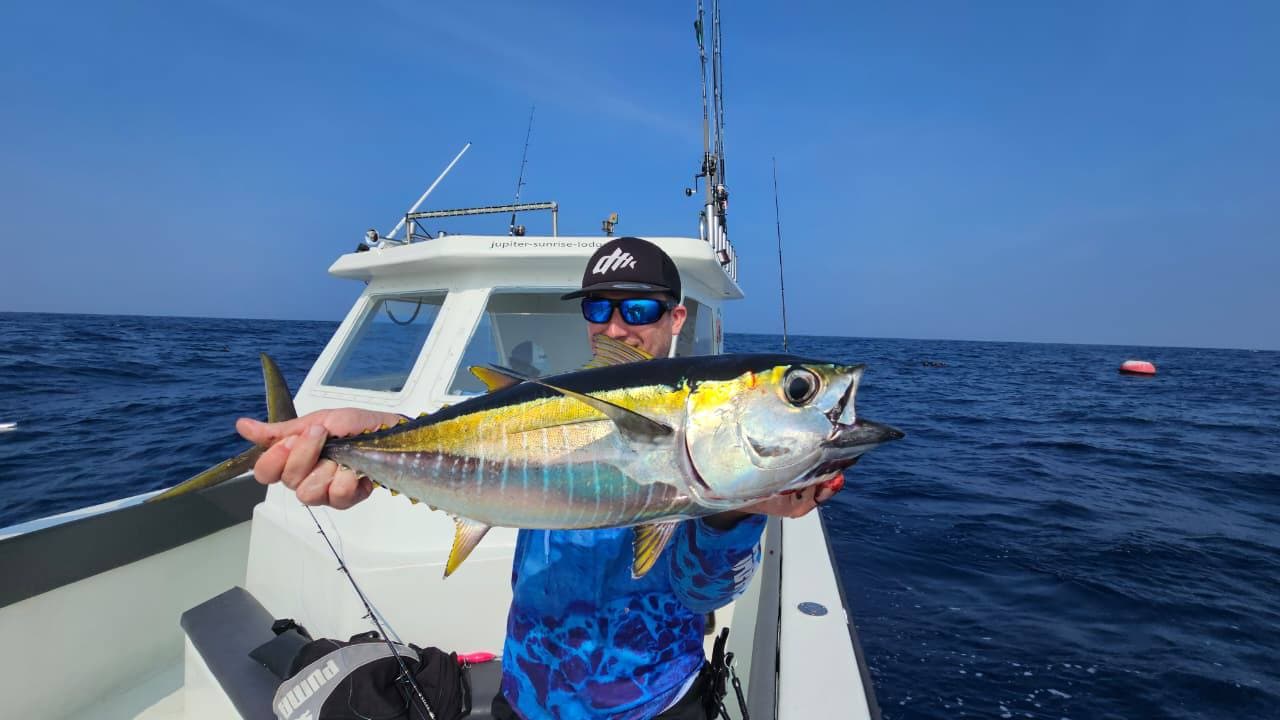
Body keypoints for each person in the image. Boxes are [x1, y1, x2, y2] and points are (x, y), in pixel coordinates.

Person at [237, 237, 843, 719]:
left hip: (648, 704)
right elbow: (482, 442)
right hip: (526, 694)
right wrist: (371, 439)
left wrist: (737, 510)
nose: (615, 328)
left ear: (675, 316)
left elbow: (705, 593)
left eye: (637, 308)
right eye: (597, 308)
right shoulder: (543, 407)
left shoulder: (709, 449)